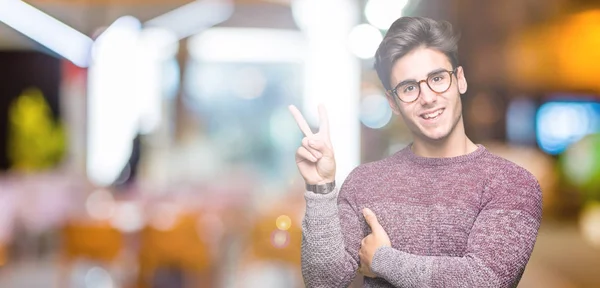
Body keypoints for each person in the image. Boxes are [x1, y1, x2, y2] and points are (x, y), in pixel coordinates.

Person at [288, 16, 542, 287]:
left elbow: (484, 279)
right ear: (393, 102)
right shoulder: (364, 183)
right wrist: (320, 187)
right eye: (409, 87)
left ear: (460, 80)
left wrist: (383, 260)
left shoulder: (513, 184)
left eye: (437, 78)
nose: (428, 97)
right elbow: (323, 281)